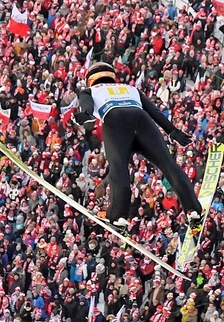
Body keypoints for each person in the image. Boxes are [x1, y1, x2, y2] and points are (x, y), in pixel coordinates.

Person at [75, 62, 202, 232]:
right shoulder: (130, 88)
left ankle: (118, 215)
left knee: (118, 168)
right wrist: (172, 131)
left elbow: (87, 106)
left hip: (115, 120)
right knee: (168, 164)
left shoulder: (89, 90)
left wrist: (86, 114)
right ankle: (193, 209)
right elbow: (154, 111)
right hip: (142, 120)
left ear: (90, 79)